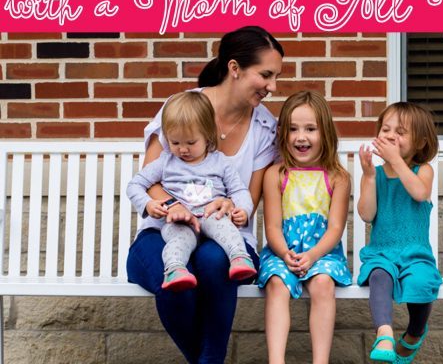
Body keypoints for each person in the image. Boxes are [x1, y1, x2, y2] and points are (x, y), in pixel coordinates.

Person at [126, 25, 284, 363]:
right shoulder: (182, 107)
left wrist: (228, 204)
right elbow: (150, 181)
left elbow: (248, 200)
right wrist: (176, 207)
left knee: (214, 262)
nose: (272, 86)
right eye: (266, 75)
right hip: (165, 230)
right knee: (175, 279)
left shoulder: (264, 128)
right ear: (234, 68)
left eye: (276, 77)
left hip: (224, 234)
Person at [127, 91, 257, 292]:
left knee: (225, 227)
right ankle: (175, 270)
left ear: (207, 135)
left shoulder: (220, 162)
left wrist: (244, 210)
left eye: (190, 142)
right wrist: (149, 204)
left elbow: (239, 190)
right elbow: (135, 185)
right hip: (178, 222)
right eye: (175, 142)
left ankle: (239, 258)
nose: (183, 150)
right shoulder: (165, 162)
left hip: (211, 216)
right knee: (179, 240)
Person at [257, 91, 353, 364]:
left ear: (325, 133)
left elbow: (335, 228)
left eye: (310, 129)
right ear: (283, 134)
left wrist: (313, 255)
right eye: (293, 129)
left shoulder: (337, 177)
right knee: (277, 282)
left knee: (322, 283)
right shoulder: (275, 174)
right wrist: (285, 253)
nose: (301, 137)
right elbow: (272, 226)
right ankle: (276, 360)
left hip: (322, 253)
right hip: (282, 251)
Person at [356, 102, 442, 363]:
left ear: (420, 142)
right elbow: (366, 214)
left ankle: (414, 333)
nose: (391, 136)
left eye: (401, 132)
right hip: (382, 254)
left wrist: (395, 160)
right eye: (386, 130)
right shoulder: (376, 174)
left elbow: (420, 193)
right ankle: (384, 335)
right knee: (379, 276)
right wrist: (369, 177)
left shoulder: (423, 170)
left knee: (421, 282)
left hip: (415, 255)